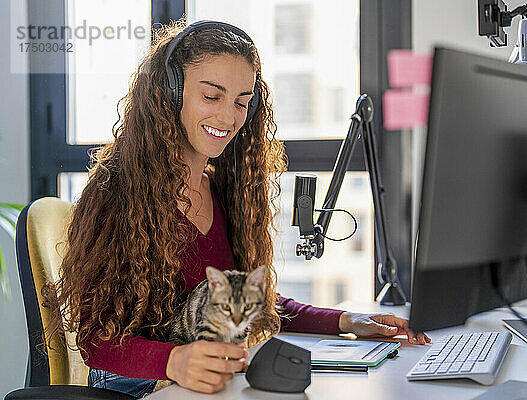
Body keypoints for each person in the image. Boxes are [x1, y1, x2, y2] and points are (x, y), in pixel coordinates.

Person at [43, 20, 429, 398]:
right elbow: (97, 341)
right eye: (212, 97)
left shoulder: (225, 189)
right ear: (170, 93)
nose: (228, 118)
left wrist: (346, 321)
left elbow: (252, 299)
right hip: (139, 384)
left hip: (207, 379)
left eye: (241, 102)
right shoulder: (117, 193)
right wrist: (173, 361)